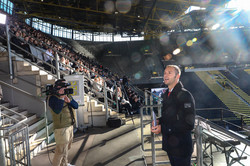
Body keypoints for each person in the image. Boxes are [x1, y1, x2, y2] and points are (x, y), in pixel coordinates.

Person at [151, 65, 195, 166]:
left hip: (181, 147)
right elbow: (169, 116)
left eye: (169, 73)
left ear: (177, 76)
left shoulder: (185, 95)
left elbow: (189, 124)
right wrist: (159, 121)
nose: (165, 75)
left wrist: (163, 129)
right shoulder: (166, 94)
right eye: (165, 73)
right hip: (171, 146)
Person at [48, 79, 78, 166]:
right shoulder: (52, 98)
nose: (66, 89)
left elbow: (76, 106)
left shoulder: (67, 95)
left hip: (69, 126)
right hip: (61, 128)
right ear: (58, 87)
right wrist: (61, 98)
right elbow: (57, 111)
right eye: (64, 87)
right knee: (60, 151)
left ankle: (64, 164)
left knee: (67, 148)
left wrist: (70, 101)